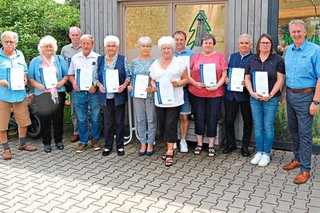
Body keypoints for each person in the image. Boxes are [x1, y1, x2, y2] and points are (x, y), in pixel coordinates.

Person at [282, 19, 320, 184]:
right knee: (293, 129)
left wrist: (316, 101)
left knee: (305, 133)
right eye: (293, 32)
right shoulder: (288, 50)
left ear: (305, 32)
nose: (296, 34)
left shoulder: (315, 50)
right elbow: (286, 74)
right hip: (290, 95)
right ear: (290, 34)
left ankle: (306, 169)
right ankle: (297, 159)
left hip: (306, 96)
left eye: (299, 31)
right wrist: (283, 94)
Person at [244, 33, 285, 167]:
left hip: (270, 99)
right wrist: (251, 92)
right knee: (258, 125)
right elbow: (247, 78)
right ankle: (259, 151)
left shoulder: (277, 59)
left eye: (267, 43)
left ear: (271, 45)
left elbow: (280, 79)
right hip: (255, 98)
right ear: (258, 45)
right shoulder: (252, 59)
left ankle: (266, 153)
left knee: (268, 126)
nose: (265, 45)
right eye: (263, 43)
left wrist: (271, 94)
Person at [149, 36, 188, 166]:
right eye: (164, 48)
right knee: (163, 124)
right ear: (161, 49)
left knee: (171, 124)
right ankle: (168, 147)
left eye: (169, 48)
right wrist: (153, 85)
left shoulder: (179, 62)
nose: (166, 50)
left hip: (174, 100)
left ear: (173, 49)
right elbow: (153, 78)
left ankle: (170, 151)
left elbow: (186, 79)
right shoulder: (156, 63)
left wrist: (178, 83)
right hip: (160, 100)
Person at [189, 33, 227, 157]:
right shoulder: (195, 57)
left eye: (210, 43)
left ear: (214, 44)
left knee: (212, 118)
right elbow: (188, 74)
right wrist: (195, 83)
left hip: (215, 93)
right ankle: (199, 144)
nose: (208, 45)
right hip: (197, 92)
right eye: (206, 43)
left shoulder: (219, 56)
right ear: (202, 44)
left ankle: (211, 145)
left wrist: (217, 86)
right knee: (199, 117)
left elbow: (224, 74)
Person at [0, 31, 37, 160]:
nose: (9, 44)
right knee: (2, 123)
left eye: (12, 42)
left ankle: (22, 144)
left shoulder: (20, 54)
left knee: (24, 120)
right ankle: (6, 149)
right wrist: (0, 81)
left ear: (16, 43)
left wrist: (25, 78)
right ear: (2, 42)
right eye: (7, 42)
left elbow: (24, 70)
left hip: (19, 94)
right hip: (3, 96)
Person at [28, 35, 69, 153]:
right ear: (42, 48)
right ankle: (46, 142)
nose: (49, 48)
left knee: (58, 117)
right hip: (42, 94)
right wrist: (37, 85)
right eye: (46, 46)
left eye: (51, 46)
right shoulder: (36, 61)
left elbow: (66, 74)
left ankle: (58, 140)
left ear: (54, 47)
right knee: (45, 118)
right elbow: (31, 77)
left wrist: (61, 82)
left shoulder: (59, 59)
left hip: (58, 92)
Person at [94, 35, 130, 156]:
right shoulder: (100, 60)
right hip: (105, 96)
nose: (111, 48)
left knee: (119, 122)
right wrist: (99, 85)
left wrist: (124, 86)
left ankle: (120, 146)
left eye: (113, 46)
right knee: (108, 122)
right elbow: (94, 78)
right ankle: (108, 146)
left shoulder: (122, 59)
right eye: (109, 45)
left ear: (117, 47)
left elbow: (128, 76)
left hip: (118, 95)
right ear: (105, 47)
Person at [68, 34, 101, 153]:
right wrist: (73, 83)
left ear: (92, 44)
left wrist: (96, 86)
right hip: (79, 92)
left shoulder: (98, 58)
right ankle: (83, 141)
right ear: (81, 44)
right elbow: (70, 74)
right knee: (81, 118)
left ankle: (95, 140)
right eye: (84, 43)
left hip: (93, 92)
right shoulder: (75, 58)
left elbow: (101, 75)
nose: (86, 46)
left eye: (89, 43)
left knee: (95, 117)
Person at [223, 34, 253, 157]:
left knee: (248, 121)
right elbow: (225, 72)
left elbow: (256, 76)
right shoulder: (232, 57)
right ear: (238, 44)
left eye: (246, 43)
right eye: (242, 43)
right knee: (229, 121)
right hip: (231, 95)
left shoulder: (254, 58)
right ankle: (231, 144)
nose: (244, 45)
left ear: (251, 45)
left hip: (246, 96)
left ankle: (245, 147)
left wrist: (249, 82)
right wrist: (225, 79)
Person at [128, 36, 156, 156]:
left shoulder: (154, 61)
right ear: (139, 47)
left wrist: (152, 86)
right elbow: (131, 77)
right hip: (137, 95)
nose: (145, 48)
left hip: (150, 95)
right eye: (143, 46)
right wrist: (129, 85)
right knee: (140, 120)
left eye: (148, 46)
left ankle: (150, 143)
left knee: (151, 120)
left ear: (150, 47)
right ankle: (142, 143)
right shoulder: (134, 62)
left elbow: (155, 78)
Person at [173, 31, 193, 153]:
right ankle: (173, 139)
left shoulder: (191, 54)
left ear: (185, 41)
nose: (179, 42)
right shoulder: (169, 53)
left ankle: (183, 141)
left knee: (184, 116)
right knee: (172, 117)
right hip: (172, 91)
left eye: (181, 39)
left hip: (185, 90)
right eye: (177, 39)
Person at [61, 26, 82, 143]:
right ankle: (76, 132)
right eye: (72, 35)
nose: (75, 37)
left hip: (85, 83)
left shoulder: (84, 46)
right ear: (69, 36)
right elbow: (62, 66)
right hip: (71, 82)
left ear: (80, 35)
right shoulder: (65, 49)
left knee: (86, 108)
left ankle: (87, 131)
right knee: (74, 108)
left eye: (77, 35)